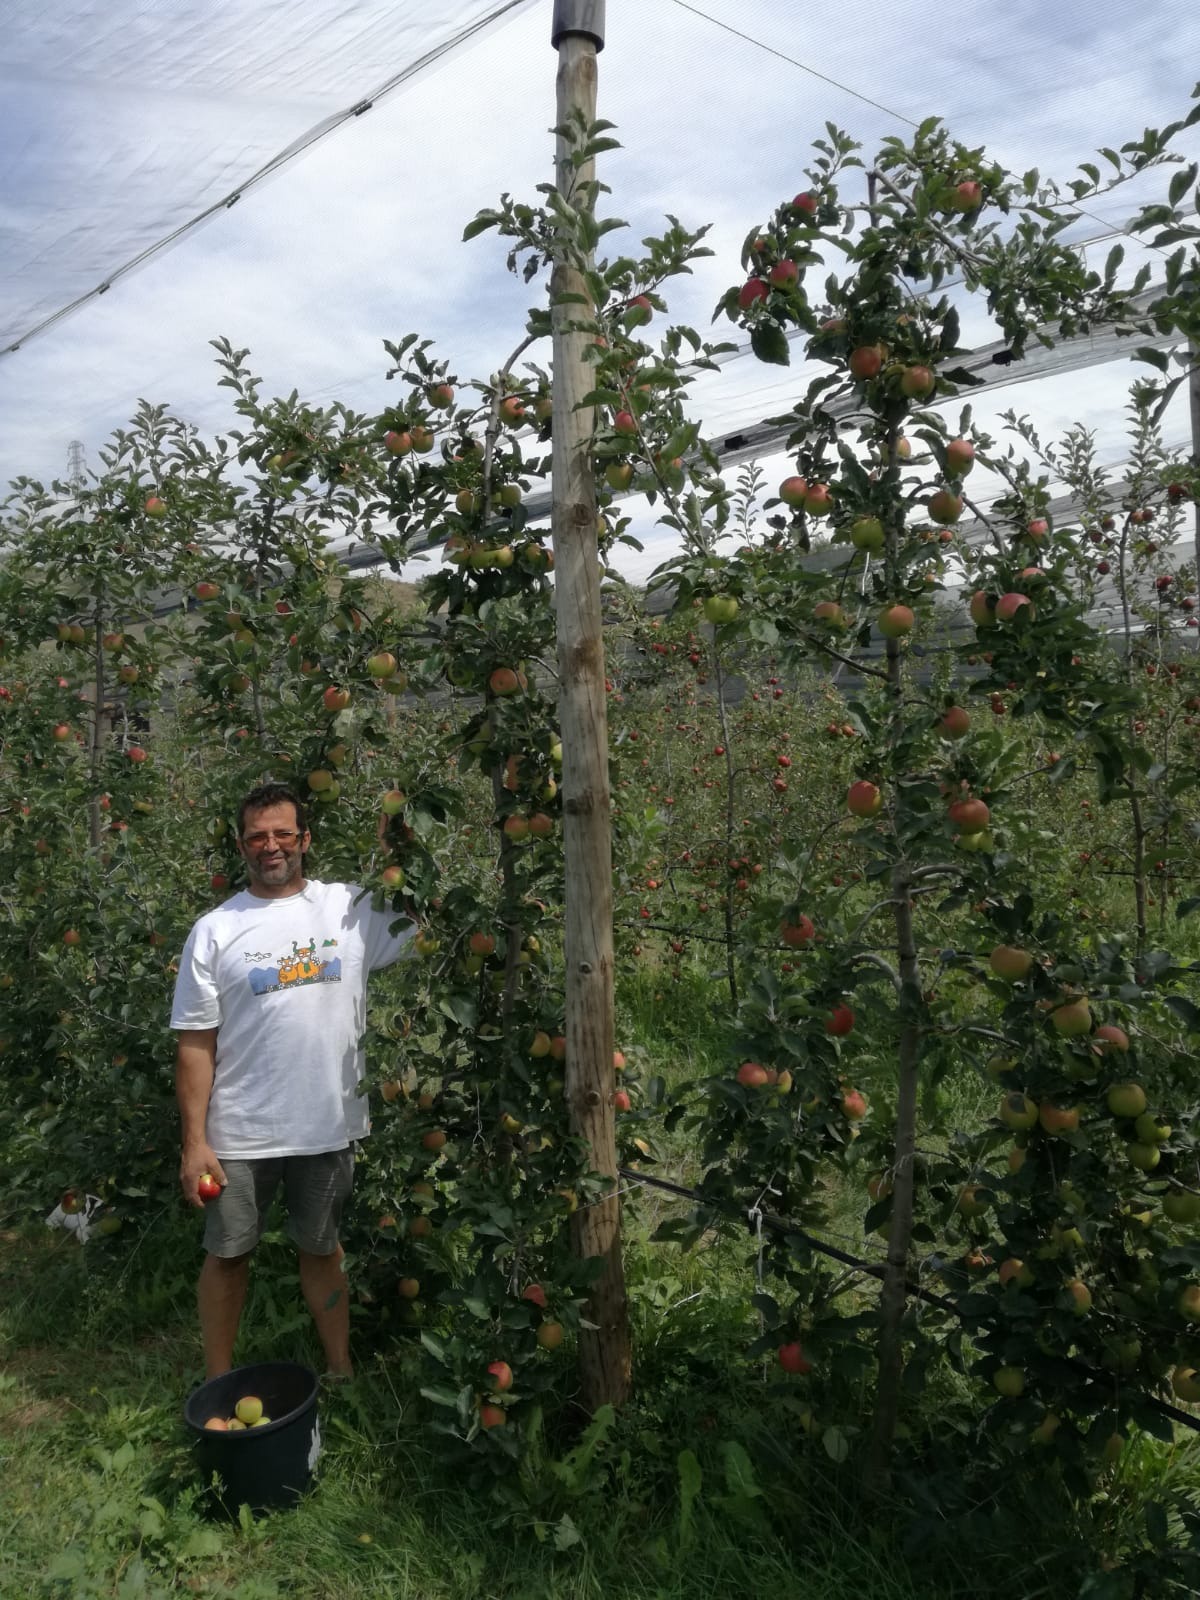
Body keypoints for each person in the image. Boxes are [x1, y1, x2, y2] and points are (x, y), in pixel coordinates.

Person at [172, 781, 414, 1379]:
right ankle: (218, 1383)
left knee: (323, 1249)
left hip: (326, 1125)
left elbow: (418, 917)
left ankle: (340, 1371)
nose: (271, 846)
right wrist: (194, 1143)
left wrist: (399, 848)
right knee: (228, 1256)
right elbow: (195, 1044)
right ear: (241, 846)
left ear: (305, 839)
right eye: (257, 837)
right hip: (239, 1132)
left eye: (283, 833)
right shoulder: (215, 929)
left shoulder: (350, 908)